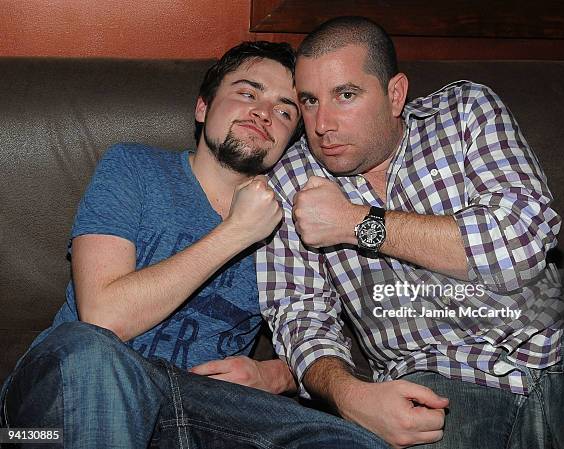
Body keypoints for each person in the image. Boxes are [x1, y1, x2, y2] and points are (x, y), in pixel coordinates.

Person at [0, 41, 388, 449]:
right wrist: (237, 231)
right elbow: (104, 317)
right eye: (247, 92)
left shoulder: (301, 219)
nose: (263, 112)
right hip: (59, 406)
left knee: (348, 440)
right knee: (93, 354)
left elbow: (330, 336)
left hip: (202, 410)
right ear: (203, 108)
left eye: (285, 110)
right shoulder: (134, 167)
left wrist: (276, 375)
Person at [258, 16, 564, 449]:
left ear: (394, 95)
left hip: (555, 343)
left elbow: (522, 240)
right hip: (439, 381)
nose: (322, 123)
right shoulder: (291, 180)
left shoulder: (464, 112)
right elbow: (299, 315)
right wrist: (351, 396)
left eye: (345, 95)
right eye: (309, 101)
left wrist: (355, 222)